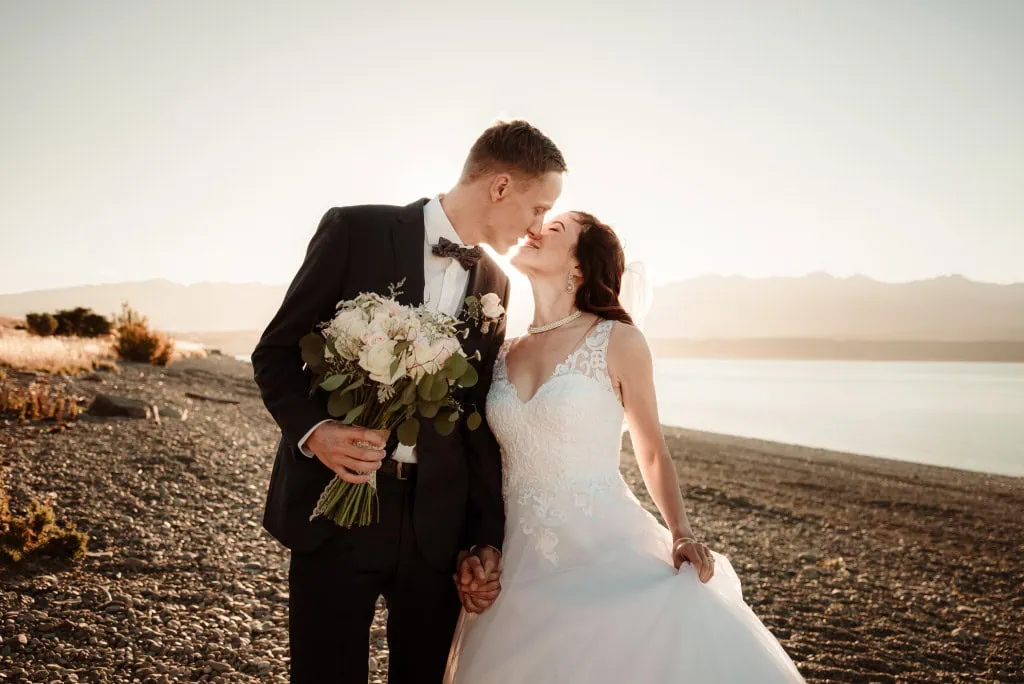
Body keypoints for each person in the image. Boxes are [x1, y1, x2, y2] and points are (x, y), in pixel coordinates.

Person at [251, 120, 566, 683]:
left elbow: (477, 422)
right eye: (538, 207)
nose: (537, 226)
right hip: (337, 505)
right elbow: (274, 354)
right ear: (499, 188)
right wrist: (315, 433)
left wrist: (484, 537)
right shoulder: (355, 230)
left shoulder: (495, 282)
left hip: (435, 529)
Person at [445, 211, 806, 683]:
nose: (533, 229)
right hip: (517, 563)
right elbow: (481, 462)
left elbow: (652, 450)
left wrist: (680, 532)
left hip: (604, 546)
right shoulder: (500, 351)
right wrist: (478, 546)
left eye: (553, 229)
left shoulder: (618, 341)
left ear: (578, 266)